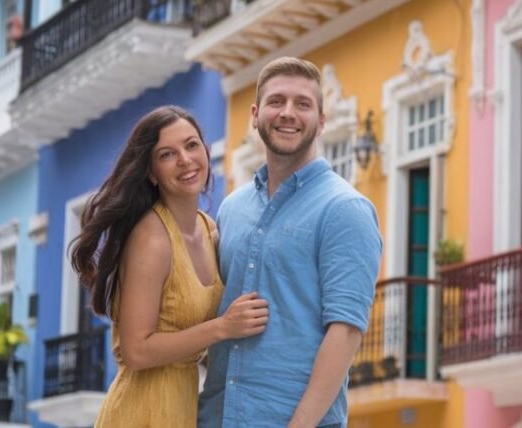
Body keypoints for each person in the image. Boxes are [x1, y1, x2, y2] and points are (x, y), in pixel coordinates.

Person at [199, 57, 383, 428]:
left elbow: (345, 330)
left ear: (321, 120)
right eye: (276, 101)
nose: (288, 113)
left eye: (303, 104)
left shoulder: (345, 209)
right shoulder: (232, 209)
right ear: (255, 114)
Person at [71, 105, 269, 427]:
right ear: (151, 172)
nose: (185, 160)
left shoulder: (209, 230)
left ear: (206, 151)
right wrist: (223, 327)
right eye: (167, 154)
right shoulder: (151, 238)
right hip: (140, 411)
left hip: (185, 406)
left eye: (191, 145)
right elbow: (136, 350)